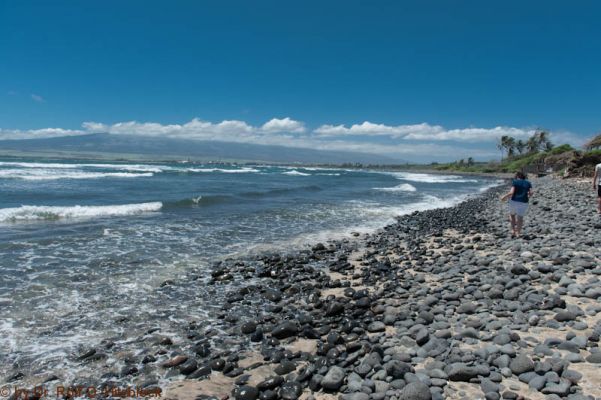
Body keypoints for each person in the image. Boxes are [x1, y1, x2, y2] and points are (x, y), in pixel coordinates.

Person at [500, 171, 533, 237]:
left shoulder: (515, 182)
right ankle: (518, 233)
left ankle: (513, 230)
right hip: (524, 202)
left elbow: (511, 193)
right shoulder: (528, 183)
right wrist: (528, 196)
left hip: (514, 201)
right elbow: (531, 193)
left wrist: (504, 197)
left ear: (517, 176)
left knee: (512, 215)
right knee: (520, 217)